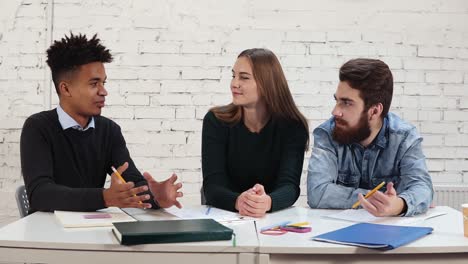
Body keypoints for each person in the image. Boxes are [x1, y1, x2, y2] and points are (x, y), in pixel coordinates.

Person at [20, 33, 183, 212]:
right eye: (94, 84)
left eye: (103, 83)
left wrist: (156, 197)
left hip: (92, 230)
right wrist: (104, 198)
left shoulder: (109, 130)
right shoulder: (38, 127)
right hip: (45, 231)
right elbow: (40, 195)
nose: (104, 91)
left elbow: (133, 184)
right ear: (66, 89)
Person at [307, 58, 433, 217]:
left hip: (390, 231)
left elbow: (422, 188)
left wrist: (399, 204)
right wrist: (380, 199)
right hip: (337, 234)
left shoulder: (404, 137)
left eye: (346, 103)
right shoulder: (327, 134)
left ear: (374, 111)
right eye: (337, 100)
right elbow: (317, 193)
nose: (335, 111)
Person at [202, 48, 309, 218]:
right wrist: (239, 201)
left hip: (271, 218)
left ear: (267, 83)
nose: (234, 83)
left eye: (244, 77)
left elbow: (289, 185)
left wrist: (268, 202)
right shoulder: (216, 121)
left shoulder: (293, 127)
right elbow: (213, 185)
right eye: (233, 75)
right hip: (223, 214)